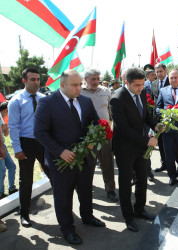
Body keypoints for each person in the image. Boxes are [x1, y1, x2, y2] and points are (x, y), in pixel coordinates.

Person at [34, 69, 105, 245]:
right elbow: (40, 132)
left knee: (86, 190)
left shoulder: (86, 101)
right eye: (75, 85)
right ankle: (67, 229)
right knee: (63, 196)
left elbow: (95, 123)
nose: (79, 88)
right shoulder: (47, 103)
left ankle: (87, 216)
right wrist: (60, 151)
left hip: (85, 158)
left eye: (80, 84)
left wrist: (93, 139)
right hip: (61, 161)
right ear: (62, 85)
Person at [110, 67, 161, 232]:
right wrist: (147, 141)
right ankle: (129, 217)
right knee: (125, 184)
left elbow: (145, 115)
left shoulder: (141, 94)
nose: (140, 88)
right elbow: (123, 128)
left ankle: (140, 209)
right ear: (127, 82)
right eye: (136, 85)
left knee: (142, 179)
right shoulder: (117, 99)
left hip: (140, 145)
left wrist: (155, 124)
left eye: (142, 84)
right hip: (125, 148)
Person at [8, 68, 52, 228]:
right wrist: (17, 149)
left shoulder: (43, 99)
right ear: (24, 81)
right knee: (26, 180)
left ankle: (63, 207)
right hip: (25, 143)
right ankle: (24, 213)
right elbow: (13, 126)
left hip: (43, 142)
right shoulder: (16, 100)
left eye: (38, 79)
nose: (36, 82)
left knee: (52, 173)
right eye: (32, 79)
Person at [81, 68, 118, 202]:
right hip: (88, 137)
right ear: (85, 80)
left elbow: (109, 110)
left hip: (105, 135)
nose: (96, 81)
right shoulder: (80, 93)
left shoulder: (105, 91)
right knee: (88, 165)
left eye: (97, 78)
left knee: (107, 163)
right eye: (93, 79)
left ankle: (110, 190)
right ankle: (86, 190)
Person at [151, 63, 169, 173]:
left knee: (171, 143)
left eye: (161, 71)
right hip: (157, 118)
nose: (159, 74)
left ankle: (176, 165)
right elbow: (153, 100)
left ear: (165, 71)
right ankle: (164, 164)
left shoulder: (171, 81)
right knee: (161, 143)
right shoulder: (154, 83)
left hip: (169, 117)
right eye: (157, 72)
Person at [0, 102, 17, 199]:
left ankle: (11, 188)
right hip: (1, 146)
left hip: (3, 146)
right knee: (2, 170)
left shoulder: (2, 118)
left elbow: (5, 135)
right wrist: (1, 146)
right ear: (6, 109)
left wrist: (5, 129)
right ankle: (1, 193)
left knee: (11, 166)